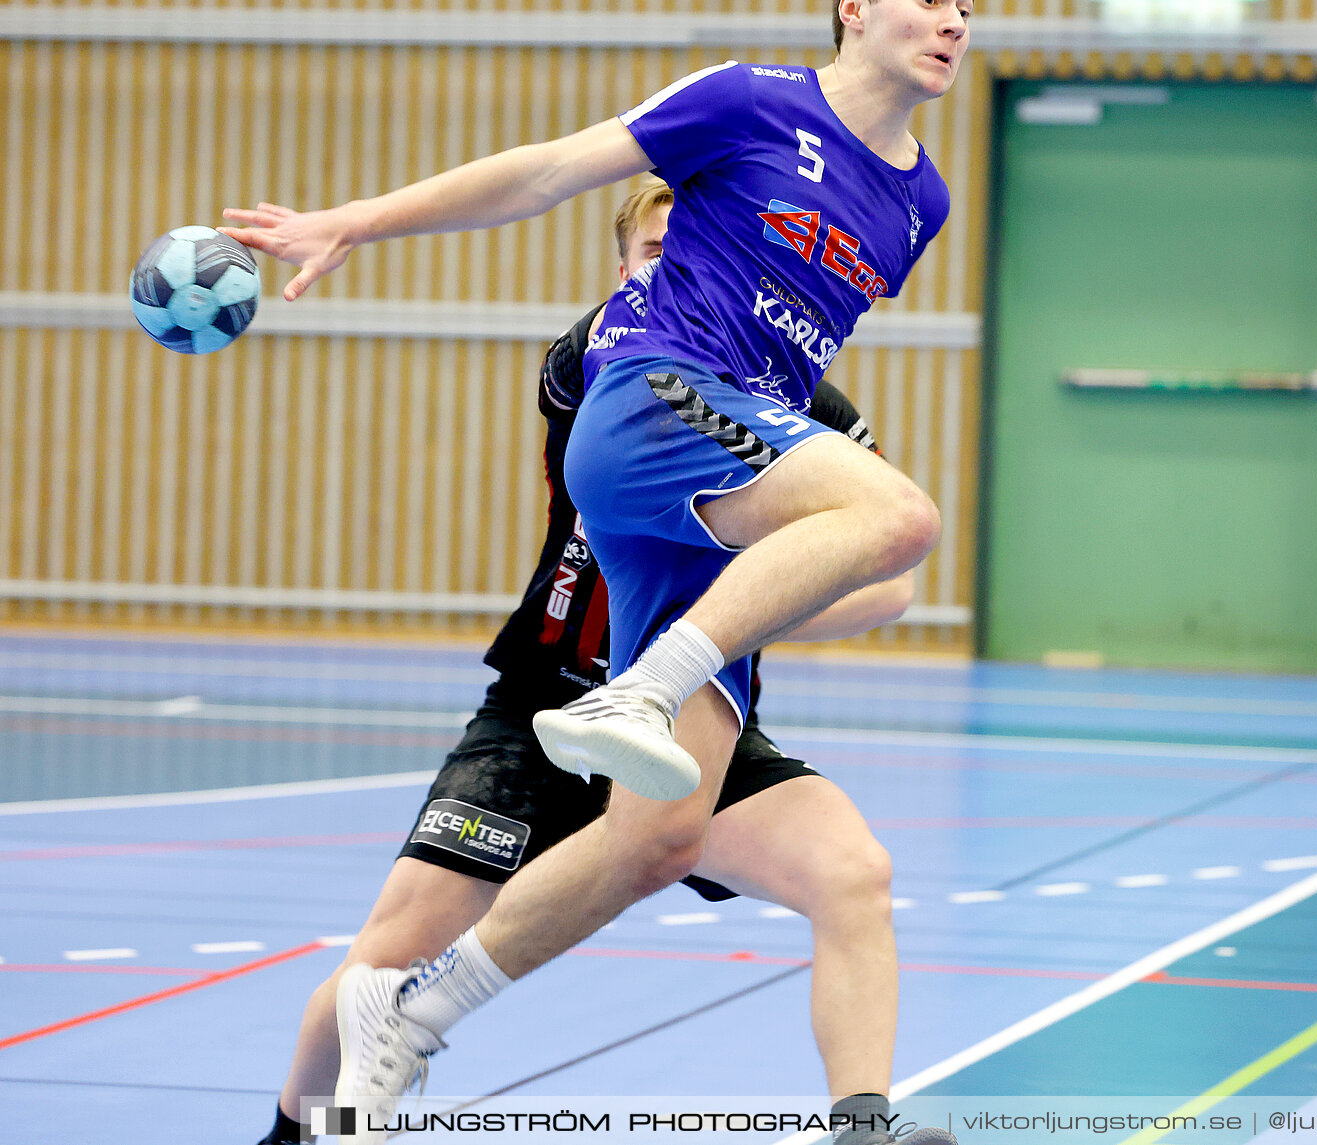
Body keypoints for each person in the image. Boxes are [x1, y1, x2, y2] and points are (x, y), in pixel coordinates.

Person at [224, 0, 984, 1145]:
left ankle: (412, 1018)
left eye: (966, 7)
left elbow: (804, 368)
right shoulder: (748, 103)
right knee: (898, 510)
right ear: (857, 8)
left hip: (715, 484)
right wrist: (351, 222)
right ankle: (636, 698)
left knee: (661, 831)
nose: (953, 21)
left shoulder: (920, 202)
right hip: (654, 401)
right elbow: (540, 170)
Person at [253, 183, 914, 1144]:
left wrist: (743, 618)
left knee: (854, 873)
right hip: (544, 709)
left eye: (702, 250)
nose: (679, 267)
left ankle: (862, 1129)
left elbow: (887, 583)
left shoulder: (811, 413)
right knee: (385, 963)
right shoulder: (599, 362)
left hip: (691, 713)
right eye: (657, 250)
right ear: (623, 273)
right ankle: (290, 1136)